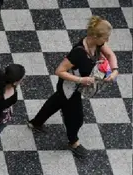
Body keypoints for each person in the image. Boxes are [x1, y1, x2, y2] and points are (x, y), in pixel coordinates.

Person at [28, 16, 119, 159]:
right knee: (76, 118)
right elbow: (59, 71)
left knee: (57, 101)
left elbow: (110, 54)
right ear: (95, 36)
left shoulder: (97, 43)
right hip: (70, 88)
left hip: (72, 87)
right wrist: (81, 79)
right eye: (106, 38)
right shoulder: (78, 53)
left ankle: (36, 123)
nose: (107, 41)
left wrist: (114, 70)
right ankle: (73, 141)